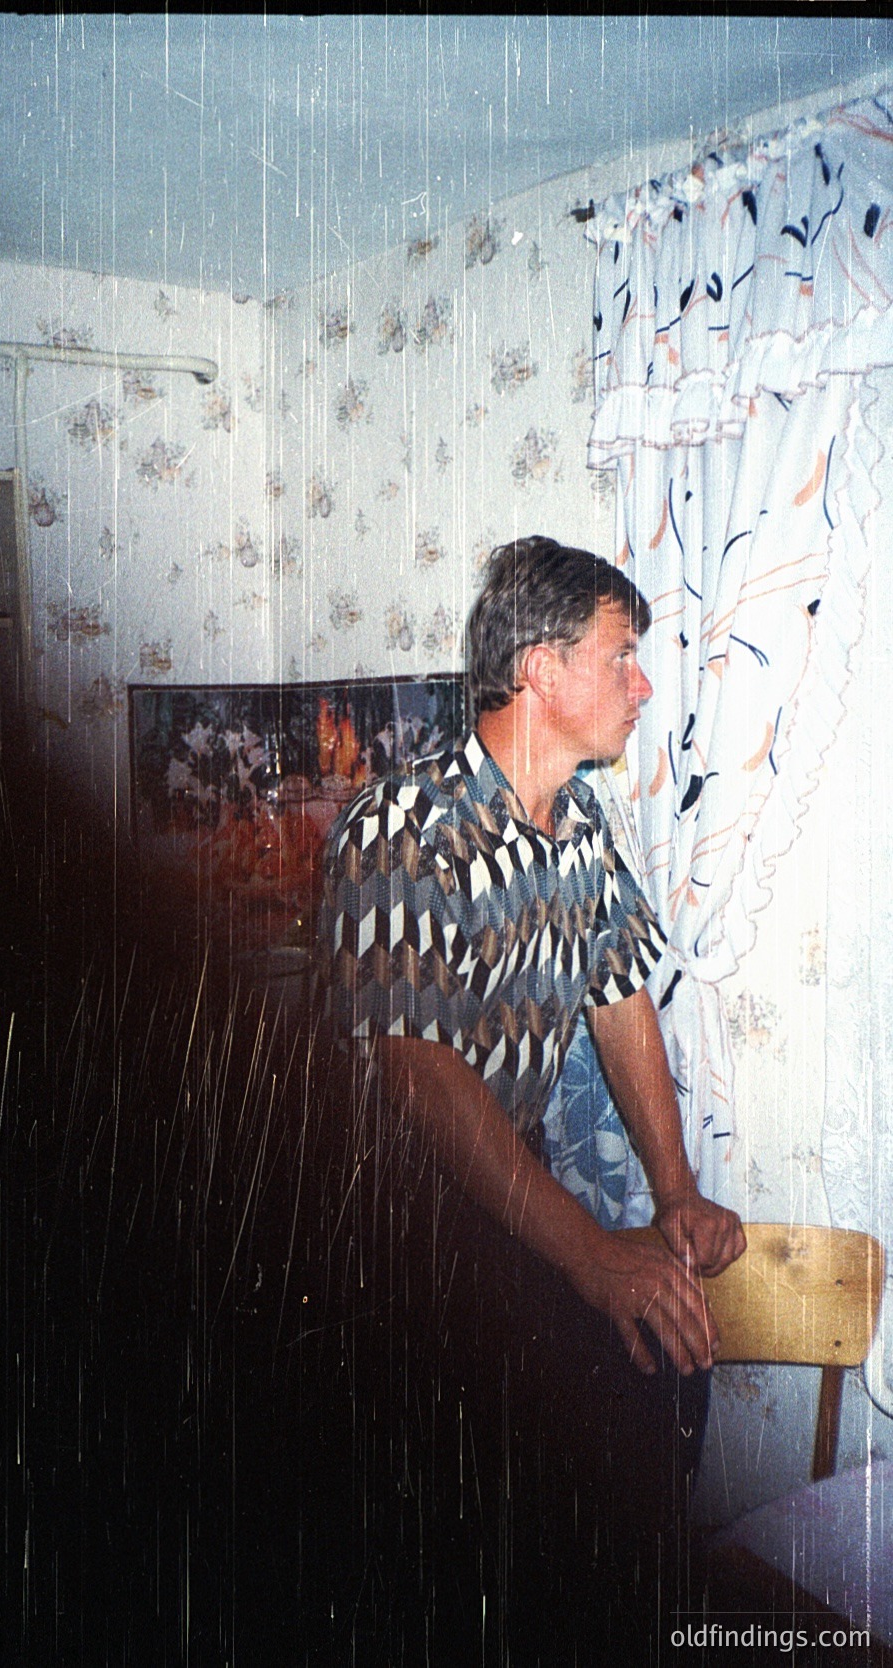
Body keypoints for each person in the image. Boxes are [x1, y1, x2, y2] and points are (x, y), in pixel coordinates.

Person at [317, 535, 746, 1663]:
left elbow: (618, 1002)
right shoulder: (399, 828)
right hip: (374, 1237)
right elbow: (414, 1069)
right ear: (541, 670)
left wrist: (674, 1195)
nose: (641, 684)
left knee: (653, 1365)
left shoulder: (580, 833)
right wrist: (589, 1254)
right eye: (621, 656)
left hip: (489, 1204)